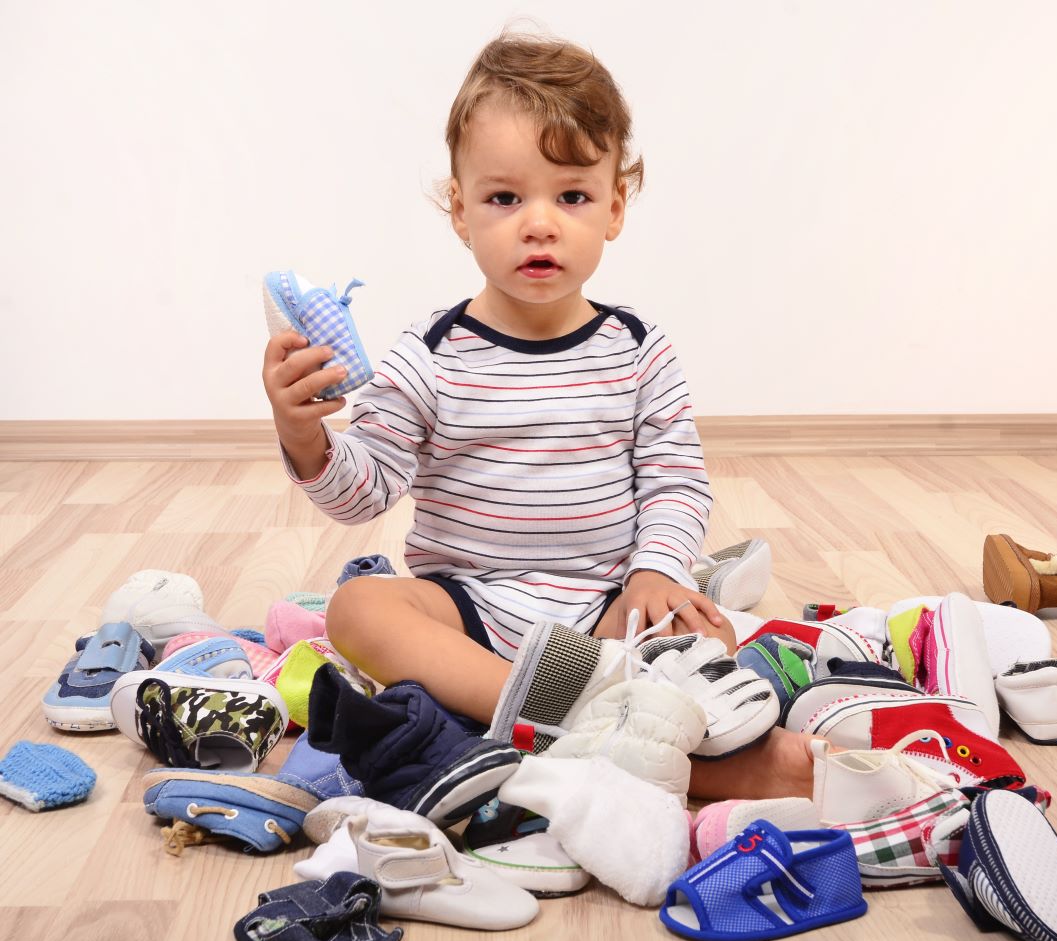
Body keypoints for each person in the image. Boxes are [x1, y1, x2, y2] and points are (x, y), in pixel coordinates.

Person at [261, 33, 816, 800]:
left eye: (573, 196)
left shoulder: (637, 349)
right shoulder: (430, 352)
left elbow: (676, 482)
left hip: (603, 611)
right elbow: (367, 491)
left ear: (615, 206)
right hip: (471, 612)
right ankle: (570, 722)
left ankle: (564, 726)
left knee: (707, 630)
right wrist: (305, 433)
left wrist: (654, 571)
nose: (540, 223)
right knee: (358, 607)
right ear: (460, 210)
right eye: (504, 198)